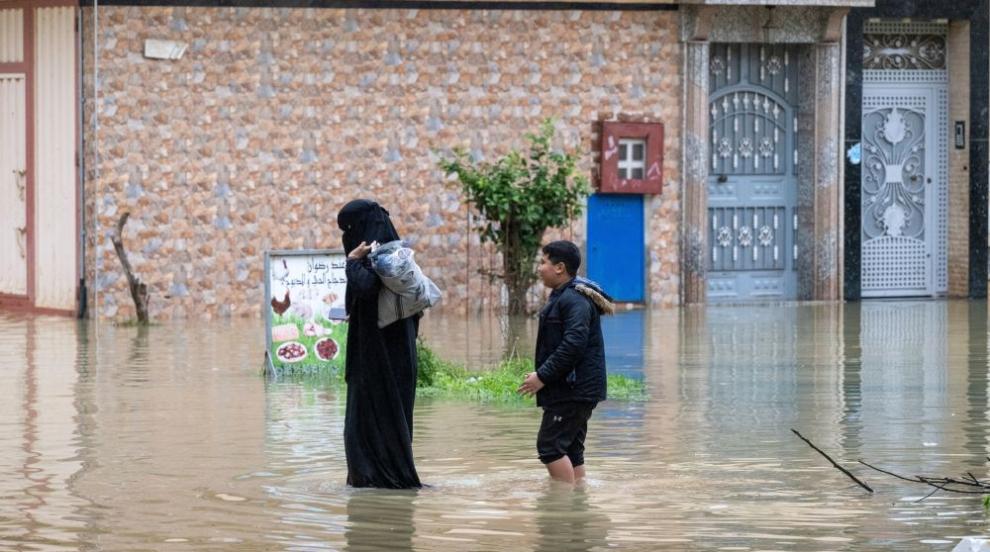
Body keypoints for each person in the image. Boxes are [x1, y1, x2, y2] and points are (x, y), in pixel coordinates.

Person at [337, 199, 421, 489]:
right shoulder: (393, 256)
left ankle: (378, 483)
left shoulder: (386, 258)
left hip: (380, 362)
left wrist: (351, 261)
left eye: (349, 229)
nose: (347, 237)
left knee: (368, 425)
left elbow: (366, 287)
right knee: (374, 424)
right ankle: (377, 484)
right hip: (387, 358)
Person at [518, 240, 612, 484]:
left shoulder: (574, 300)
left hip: (573, 390)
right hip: (575, 388)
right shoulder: (565, 296)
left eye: (543, 262)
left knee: (549, 447)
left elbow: (573, 345)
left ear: (559, 268)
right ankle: (578, 500)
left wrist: (542, 376)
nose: (539, 268)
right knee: (571, 449)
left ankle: (562, 504)